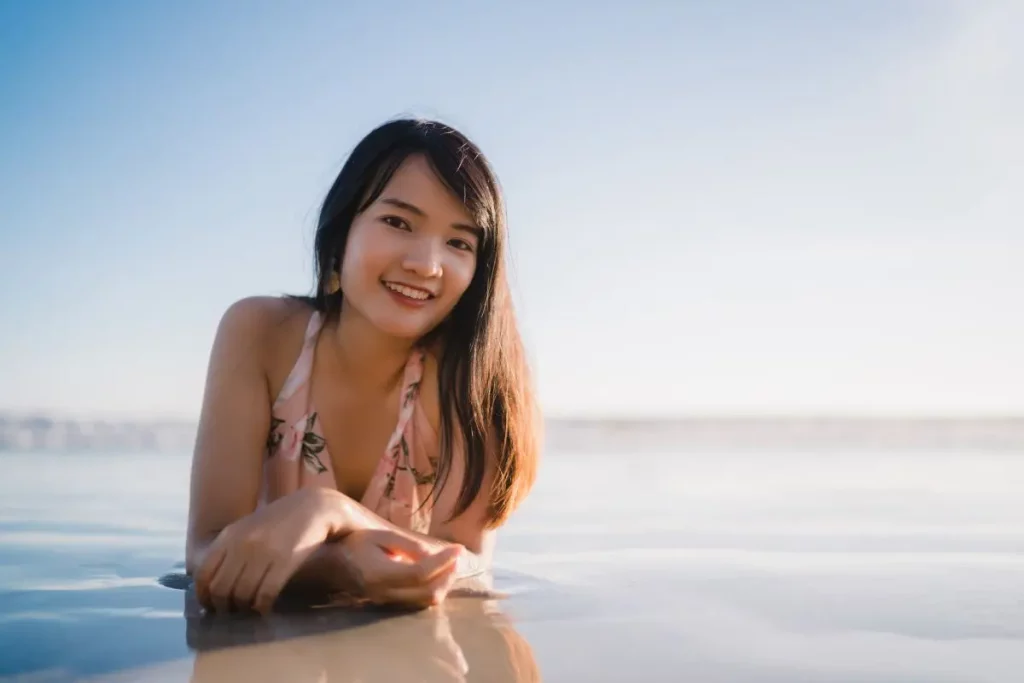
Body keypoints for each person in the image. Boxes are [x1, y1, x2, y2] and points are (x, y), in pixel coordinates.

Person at [185, 118, 541, 615]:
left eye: (459, 243)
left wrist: (334, 513)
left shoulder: (470, 376)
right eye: (398, 222)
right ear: (342, 230)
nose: (427, 263)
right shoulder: (260, 334)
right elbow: (205, 554)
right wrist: (342, 563)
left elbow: (472, 566)